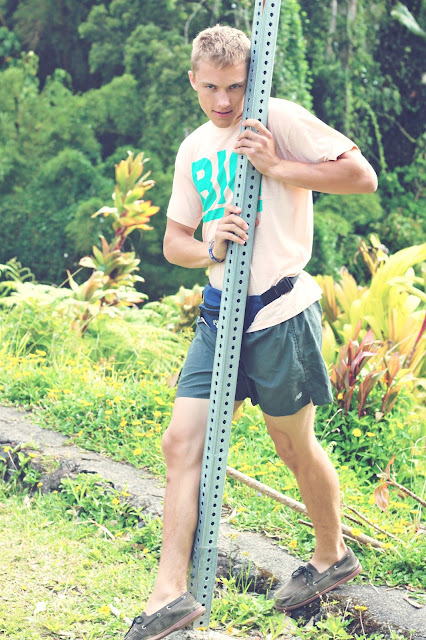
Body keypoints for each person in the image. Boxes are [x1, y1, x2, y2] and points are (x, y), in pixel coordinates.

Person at [124, 24, 378, 640]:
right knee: (179, 443)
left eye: (235, 87)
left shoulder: (278, 119)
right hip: (219, 312)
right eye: (211, 87)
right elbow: (175, 244)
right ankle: (169, 594)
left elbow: (361, 177)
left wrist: (277, 165)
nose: (223, 101)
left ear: (251, 80)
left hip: (279, 311)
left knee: (291, 444)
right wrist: (208, 245)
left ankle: (332, 555)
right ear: (193, 80)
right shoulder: (193, 148)